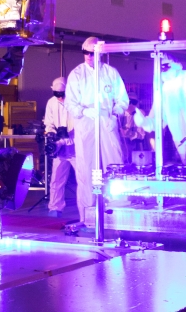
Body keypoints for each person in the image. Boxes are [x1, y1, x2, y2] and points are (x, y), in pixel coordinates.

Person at [64, 37, 129, 229]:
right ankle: (88, 215)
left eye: (92, 53)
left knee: (114, 165)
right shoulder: (77, 74)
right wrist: (84, 111)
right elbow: (70, 102)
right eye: (86, 53)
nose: (89, 57)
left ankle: (116, 211)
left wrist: (114, 114)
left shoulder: (110, 73)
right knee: (87, 169)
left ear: (101, 53)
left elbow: (122, 99)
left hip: (107, 123)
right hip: (86, 124)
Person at [43, 77, 75, 218]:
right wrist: (52, 135)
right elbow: (49, 122)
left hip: (76, 149)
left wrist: (65, 140)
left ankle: (87, 209)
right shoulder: (51, 102)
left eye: (62, 95)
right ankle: (55, 208)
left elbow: (79, 129)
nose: (60, 98)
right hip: (60, 149)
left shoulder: (74, 103)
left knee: (83, 179)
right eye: (57, 95)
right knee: (56, 178)